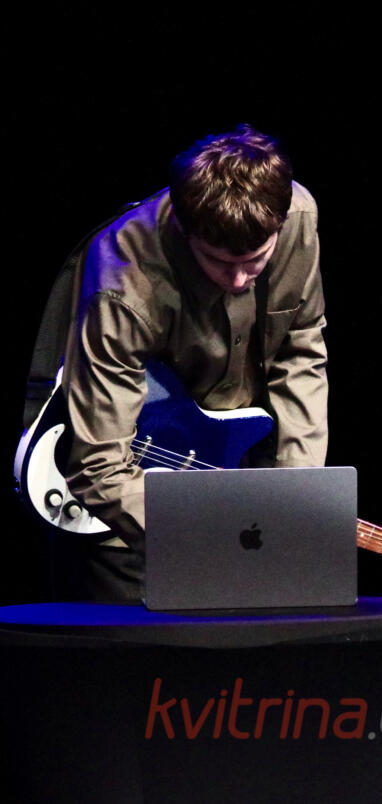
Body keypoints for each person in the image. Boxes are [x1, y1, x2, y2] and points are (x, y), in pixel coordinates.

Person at [58, 123, 328, 600]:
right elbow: (98, 463)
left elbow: (301, 348)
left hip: (240, 477)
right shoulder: (122, 281)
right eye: (219, 262)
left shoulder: (298, 216)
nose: (240, 280)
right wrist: (208, 540)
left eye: (256, 259)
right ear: (185, 232)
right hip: (139, 512)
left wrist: (291, 498)